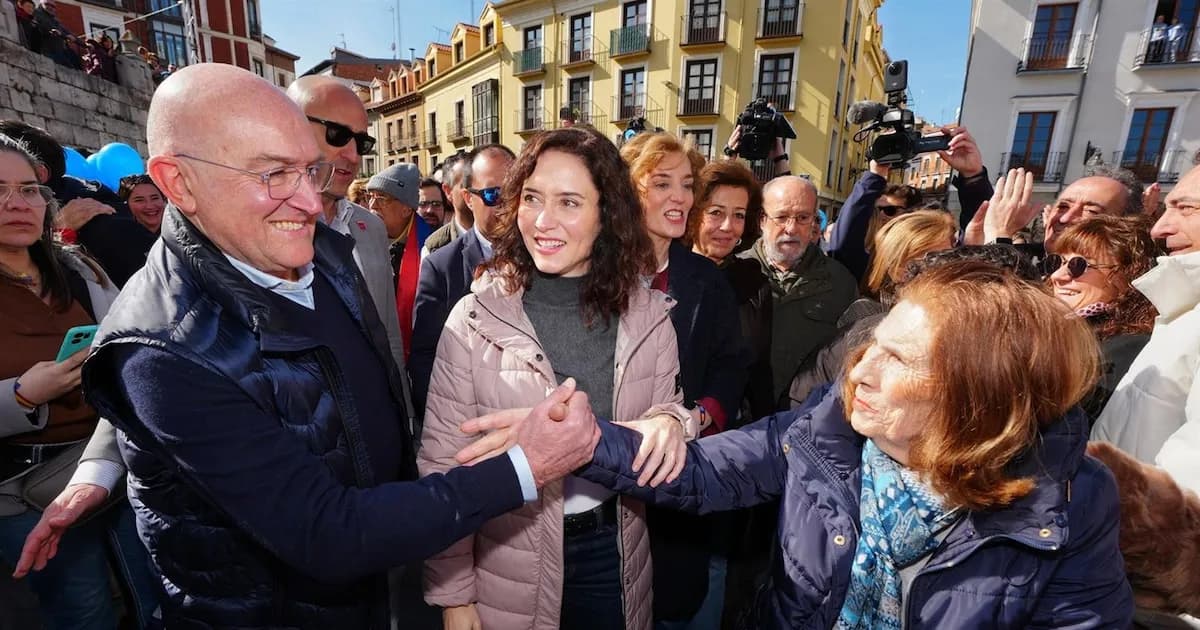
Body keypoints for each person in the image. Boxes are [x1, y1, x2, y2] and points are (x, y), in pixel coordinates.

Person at [16, 63, 601, 629]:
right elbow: (326, 532)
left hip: (371, 574)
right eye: (273, 174)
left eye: (309, 171)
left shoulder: (316, 244)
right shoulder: (162, 347)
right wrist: (526, 465)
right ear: (177, 183)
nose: (306, 200)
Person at [572, 260, 1134, 629]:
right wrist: (581, 438)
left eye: (900, 361)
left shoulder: (1069, 501)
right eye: (873, 346)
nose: (859, 372)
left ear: (976, 397)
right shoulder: (828, 425)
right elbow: (703, 471)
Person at [421, 126, 691, 630]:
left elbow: (667, 415)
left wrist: (676, 422)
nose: (542, 221)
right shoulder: (474, 318)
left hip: (614, 553)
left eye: (569, 202)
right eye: (531, 198)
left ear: (606, 213)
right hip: (506, 555)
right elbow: (442, 466)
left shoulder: (650, 316)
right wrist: (454, 594)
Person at [0, 134, 158, 629]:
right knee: (84, 611)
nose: (17, 204)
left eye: (28, 190)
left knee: (151, 596)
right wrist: (21, 395)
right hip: (23, 490)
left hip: (111, 466)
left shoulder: (79, 268)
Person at [622, 131, 749, 628]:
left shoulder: (706, 279)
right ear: (629, 191)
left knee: (677, 603)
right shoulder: (588, 272)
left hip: (680, 482)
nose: (680, 197)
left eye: (687, 184)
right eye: (661, 183)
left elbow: (730, 364)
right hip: (602, 484)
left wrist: (699, 416)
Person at [285, 76, 411, 407]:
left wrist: (405, 412)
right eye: (338, 135)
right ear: (291, 127)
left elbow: (388, 333)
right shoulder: (260, 228)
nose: (353, 155)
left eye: (362, 143)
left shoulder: (370, 227)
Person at [1093, 163, 1200, 495]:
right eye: (1167, 208)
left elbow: (1188, 504)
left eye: (1186, 208)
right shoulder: (1184, 310)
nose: (1160, 229)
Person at [787, 210, 957, 413]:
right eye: (934, 260)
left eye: (952, 258)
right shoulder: (868, 323)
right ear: (898, 270)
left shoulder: (937, 318)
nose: (950, 270)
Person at [410, 144, 515, 418]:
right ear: (468, 198)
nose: (507, 205)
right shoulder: (441, 267)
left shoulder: (545, 256)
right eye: (494, 195)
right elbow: (426, 358)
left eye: (516, 192)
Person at [739, 175, 857, 409]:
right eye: (781, 217)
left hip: (807, 425)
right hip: (739, 427)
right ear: (762, 220)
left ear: (814, 221)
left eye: (803, 218)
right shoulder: (733, 275)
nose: (791, 229)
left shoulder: (841, 283)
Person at [0, 120, 158, 287]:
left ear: (40, 173)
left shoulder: (96, 222)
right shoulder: (84, 196)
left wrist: (55, 235)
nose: (14, 204)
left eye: (27, 188)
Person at [829, 126, 992, 281]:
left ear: (912, 217)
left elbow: (977, 233)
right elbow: (843, 245)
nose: (881, 215)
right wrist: (876, 174)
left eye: (890, 210)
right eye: (875, 209)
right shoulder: (870, 271)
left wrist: (973, 176)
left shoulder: (945, 275)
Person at [1044, 215, 1158, 419]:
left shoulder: (1128, 347)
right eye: (1058, 262)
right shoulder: (1053, 332)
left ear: (1130, 276)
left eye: (1077, 265)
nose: (1057, 276)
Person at [366, 163, 433, 356]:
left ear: (406, 209)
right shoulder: (358, 240)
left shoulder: (431, 248)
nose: (372, 205)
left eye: (382, 198)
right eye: (370, 197)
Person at [421, 152, 469, 256]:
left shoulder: (505, 238)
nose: (429, 210)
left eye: (436, 204)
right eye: (423, 204)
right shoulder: (433, 248)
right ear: (447, 191)